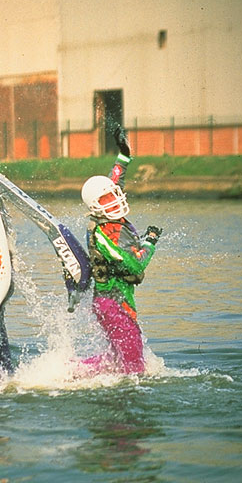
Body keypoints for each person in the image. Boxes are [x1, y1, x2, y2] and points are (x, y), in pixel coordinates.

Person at [78, 125, 162, 375]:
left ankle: (67, 372)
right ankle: (65, 375)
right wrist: (149, 242)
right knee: (134, 367)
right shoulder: (104, 235)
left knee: (116, 362)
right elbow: (135, 265)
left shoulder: (109, 205)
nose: (114, 200)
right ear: (95, 206)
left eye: (113, 195)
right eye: (106, 199)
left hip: (117, 302)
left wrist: (124, 154)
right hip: (112, 304)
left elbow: (115, 180)